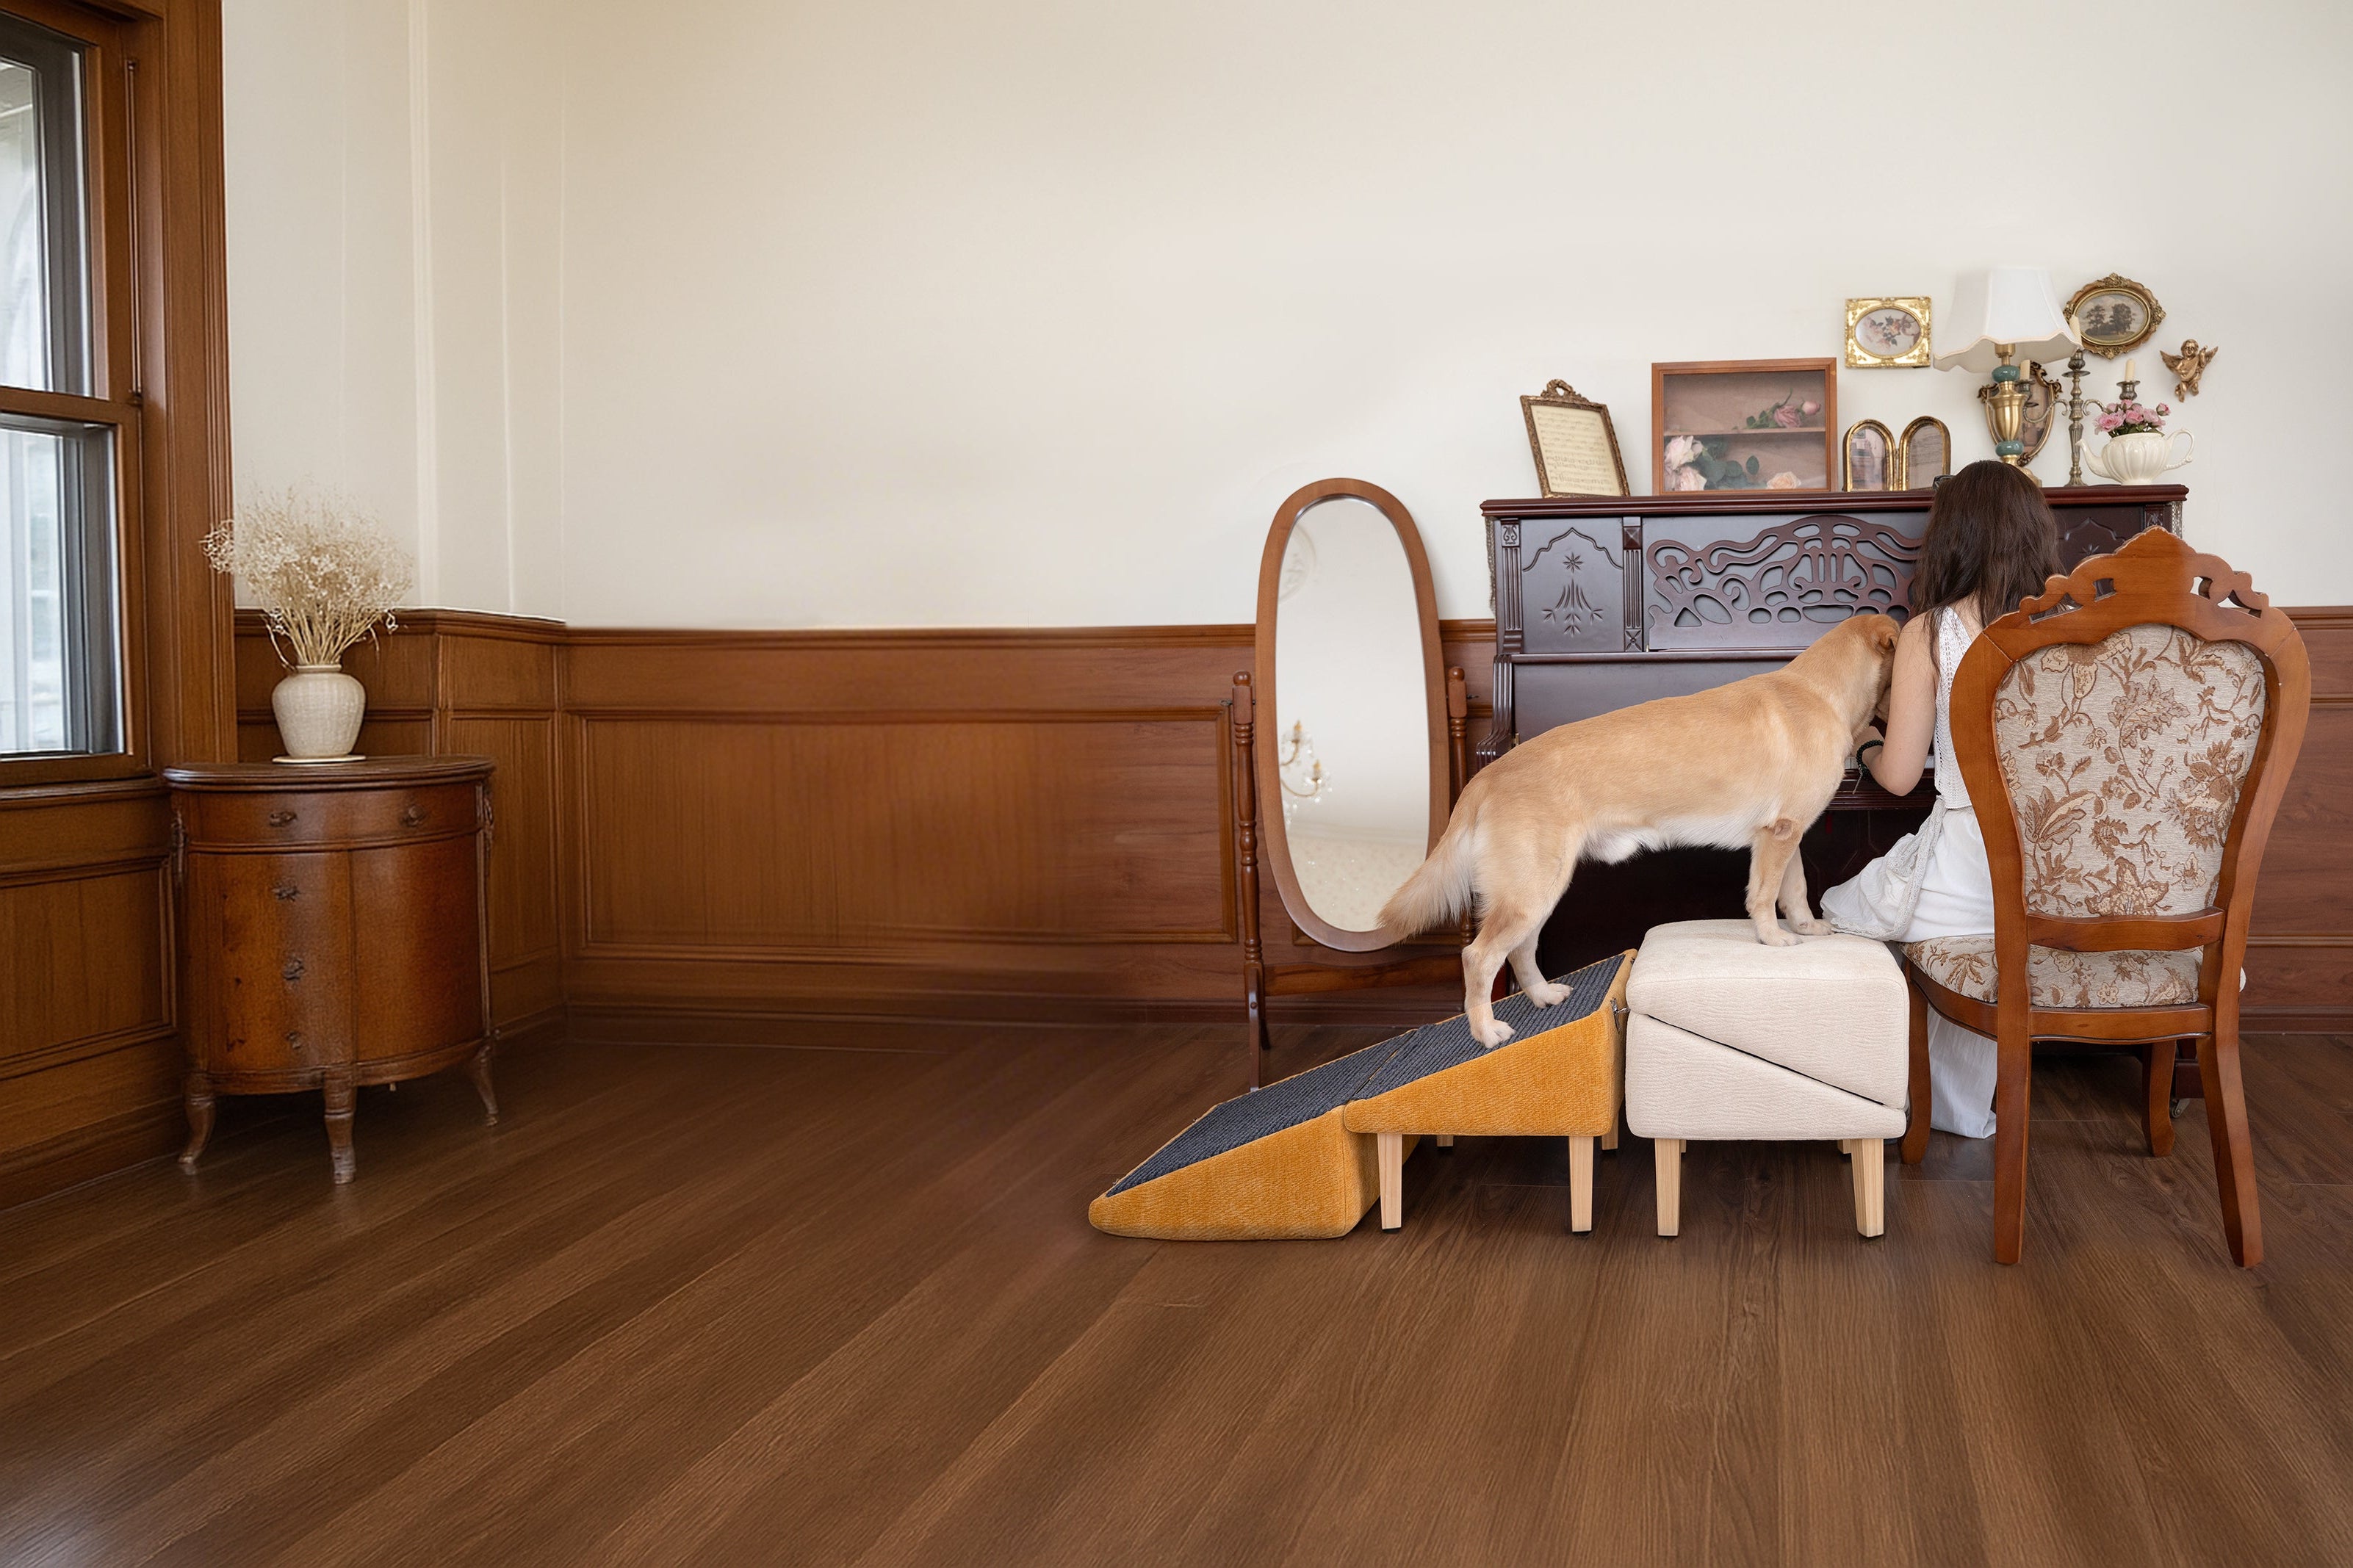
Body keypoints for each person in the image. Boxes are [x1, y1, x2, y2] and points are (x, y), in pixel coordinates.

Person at [1820, 460, 2061, 1138]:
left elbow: (1900, 777)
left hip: (1970, 875)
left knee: (1838, 911)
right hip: (2063, 881)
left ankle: (1879, 1093)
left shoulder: (1931, 631)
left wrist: (1864, 740)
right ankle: (1954, 1098)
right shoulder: (2080, 624)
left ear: (1954, 536)